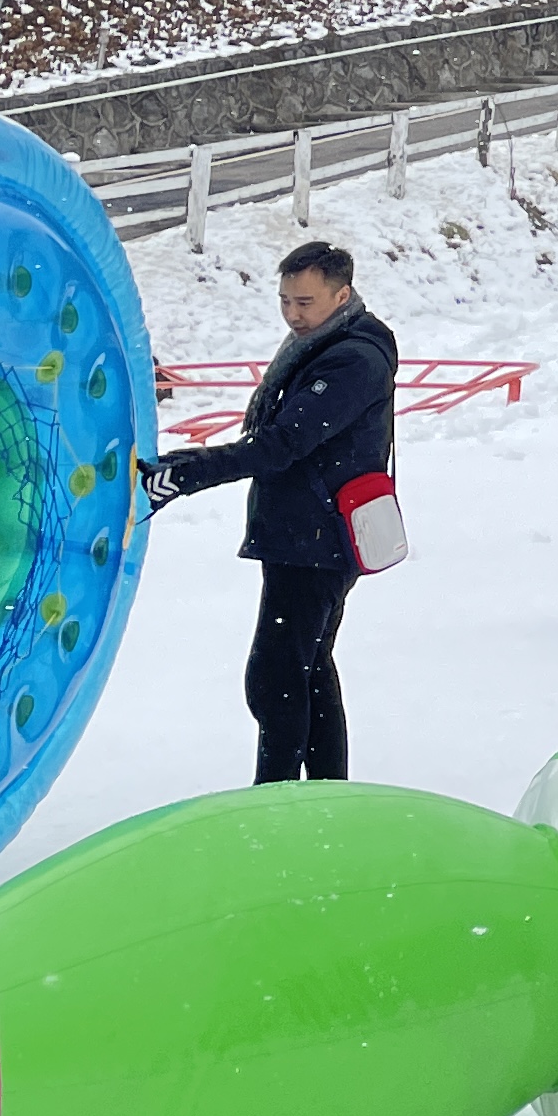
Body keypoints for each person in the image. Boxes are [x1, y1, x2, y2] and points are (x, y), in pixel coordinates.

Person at [139, 239, 398, 783]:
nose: (292, 314)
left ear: (342, 294)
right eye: (284, 300)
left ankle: (275, 796)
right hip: (307, 530)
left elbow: (283, 443)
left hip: (318, 537)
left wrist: (190, 472)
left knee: (277, 676)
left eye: (304, 302)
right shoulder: (325, 343)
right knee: (308, 667)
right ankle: (327, 790)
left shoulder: (353, 358)